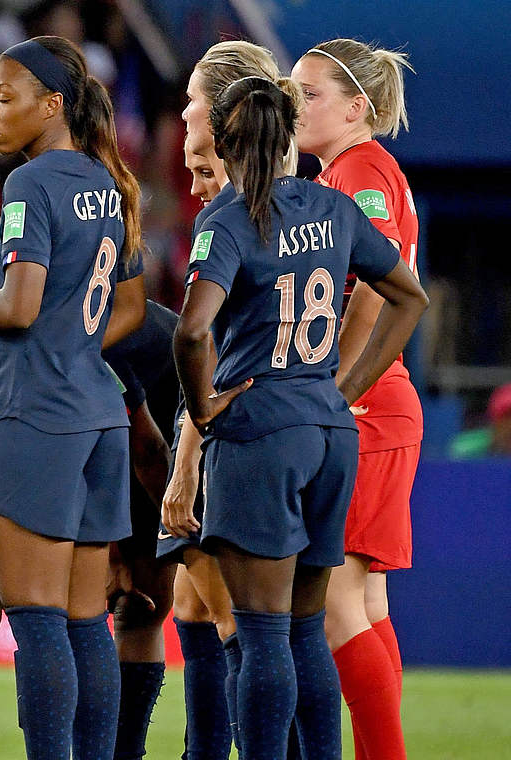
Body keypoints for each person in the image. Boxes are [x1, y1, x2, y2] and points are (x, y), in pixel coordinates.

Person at [173, 76, 427, 760]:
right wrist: (342, 391)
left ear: (223, 142)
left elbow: (192, 331)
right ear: (288, 137)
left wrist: (204, 409)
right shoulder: (332, 207)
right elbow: (409, 297)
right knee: (309, 630)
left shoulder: (227, 220)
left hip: (260, 431)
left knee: (262, 636)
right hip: (329, 431)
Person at [0, 35, 146, 760]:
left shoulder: (29, 186)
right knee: (87, 622)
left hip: (39, 419)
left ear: (52, 105)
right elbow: (131, 308)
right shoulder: (108, 182)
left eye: (4, 96)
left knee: (40, 621)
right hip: (99, 416)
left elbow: (17, 305)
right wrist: (62, 342)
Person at [162, 40, 294, 759]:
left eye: (189, 109)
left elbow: (210, 352)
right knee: (195, 602)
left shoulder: (233, 217)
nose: (183, 130)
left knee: (239, 623)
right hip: (284, 427)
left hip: (236, 435)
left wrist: (185, 463)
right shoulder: (292, 201)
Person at [293, 39, 420, 760]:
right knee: (366, 603)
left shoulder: (360, 171)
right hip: (384, 403)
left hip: (367, 406)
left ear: (356, 108)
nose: (297, 106)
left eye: (310, 94)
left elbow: (377, 288)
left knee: (338, 605)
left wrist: (334, 395)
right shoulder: (350, 171)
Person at [102, 298, 178, 760]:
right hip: (140, 439)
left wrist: (178, 535)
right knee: (133, 608)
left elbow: (145, 448)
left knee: (151, 605)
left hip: (172, 429)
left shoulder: (91, 335)